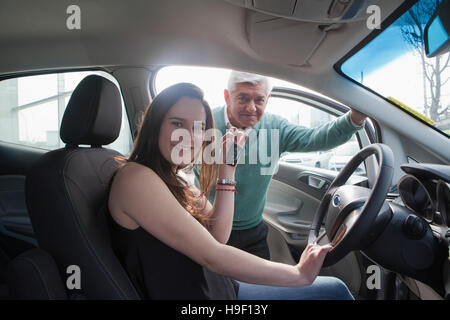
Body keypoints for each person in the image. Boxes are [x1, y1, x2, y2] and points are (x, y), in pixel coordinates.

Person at [107, 82, 354, 300]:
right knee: (335, 291)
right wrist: (297, 274)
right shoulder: (136, 178)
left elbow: (218, 235)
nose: (190, 137)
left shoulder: (176, 178)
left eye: (198, 127)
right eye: (177, 124)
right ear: (154, 124)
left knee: (335, 289)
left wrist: (227, 171)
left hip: (220, 288)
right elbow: (213, 254)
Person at [194, 71, 367, 260]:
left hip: (252, 231)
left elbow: (315, 138)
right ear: (227, 97)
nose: (251, 107)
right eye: (242, 98)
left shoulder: (276, 127)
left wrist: (354, 119)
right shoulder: (205, 123)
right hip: (206, 227)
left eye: (259, 100)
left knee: (262, 287)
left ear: (267, 99)